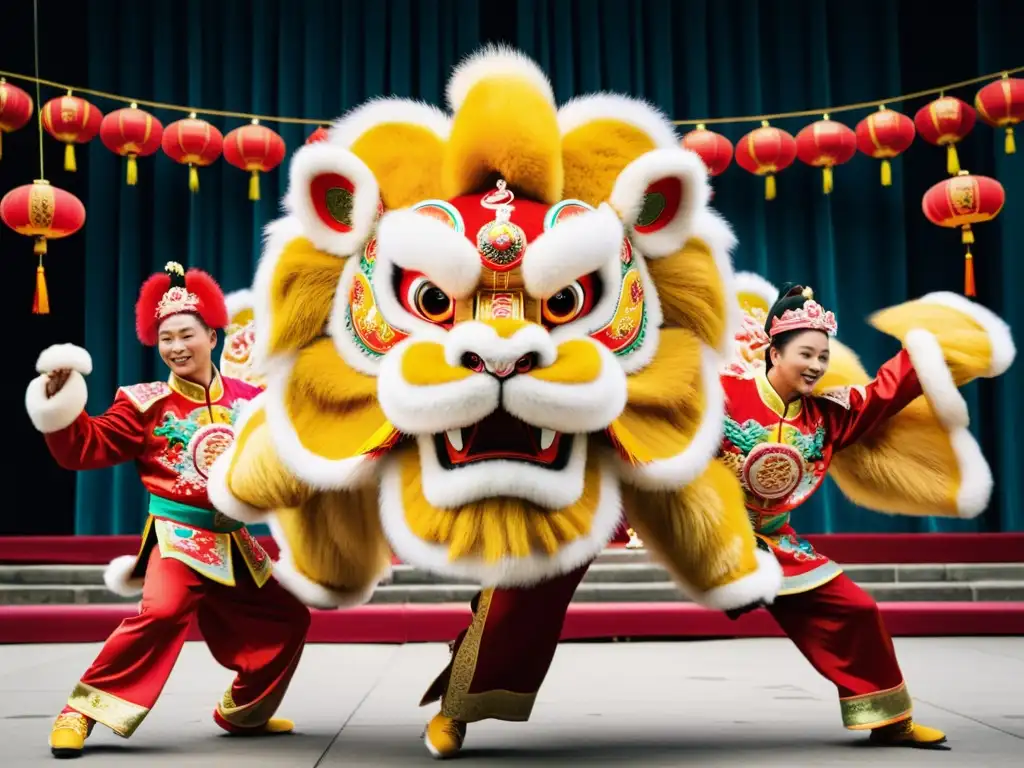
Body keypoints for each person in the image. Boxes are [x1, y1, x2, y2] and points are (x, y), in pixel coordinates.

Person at [24, 261, 310, 759]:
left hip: (236, 541)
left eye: (185, 335)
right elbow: (85, 446)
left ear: (213, 337)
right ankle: (80, 711)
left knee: (287, 618)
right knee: (162, 610)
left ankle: (243, 712)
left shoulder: (253, 401)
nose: (176, 347)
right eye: (165, 339)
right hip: (180, 534)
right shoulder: (145, 404)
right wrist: (60, 406)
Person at [718, 279, 1007, 749]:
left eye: (822, 357)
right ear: (774, 353)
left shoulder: (829, 413)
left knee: (856, 608)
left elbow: (885, 393)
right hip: (710, 528)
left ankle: (890, 719)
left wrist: (930, 349)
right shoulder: (723, 393)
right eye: (806, 354)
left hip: (773, 540)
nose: (816, 366)